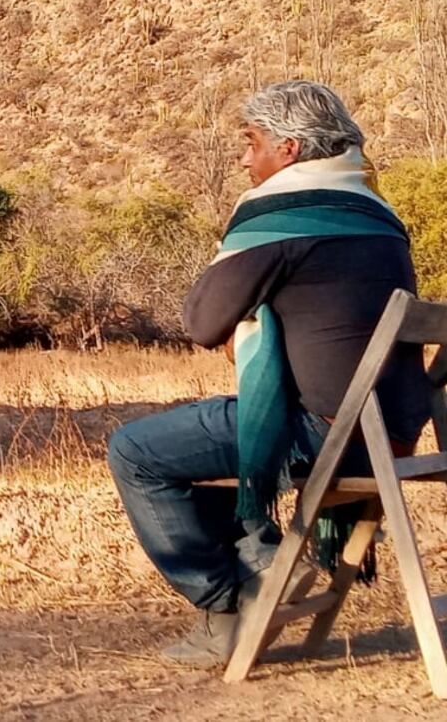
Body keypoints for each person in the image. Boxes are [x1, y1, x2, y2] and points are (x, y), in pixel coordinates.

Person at [108, 81, 432, 667]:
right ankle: (258, 553)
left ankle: (228, 602)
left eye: (251, 142)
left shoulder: (284, 211)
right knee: (207, 441)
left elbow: (203, 323)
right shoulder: (378, 212)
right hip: (393, 440)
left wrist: (236, 267)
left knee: (136, 452)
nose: (243, 158)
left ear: (288, 149)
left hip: (327, 437)